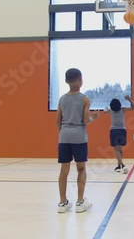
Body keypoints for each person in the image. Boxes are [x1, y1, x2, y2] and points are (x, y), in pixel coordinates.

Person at [56, 68, 99, 213]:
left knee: (64, 170)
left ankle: (62, 203)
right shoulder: (85, 99)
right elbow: (86, 121)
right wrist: (94, 117)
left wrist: (62, 134)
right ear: (80, 80)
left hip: (64, 136)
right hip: (79, 137)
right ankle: (80, 202)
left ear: (66, 81)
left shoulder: (62, 99)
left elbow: (58, 120)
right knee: (81, 168)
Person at [103, 95, 134, 174]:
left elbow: (104, 111)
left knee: (116, 149)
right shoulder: (123, 109)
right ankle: (119, 165)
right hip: (122, 131)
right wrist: (129, 99)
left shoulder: (110, 111)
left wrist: (106, 108)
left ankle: (122, 165)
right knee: (120, 148)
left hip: (114, 131)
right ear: (120, 105)